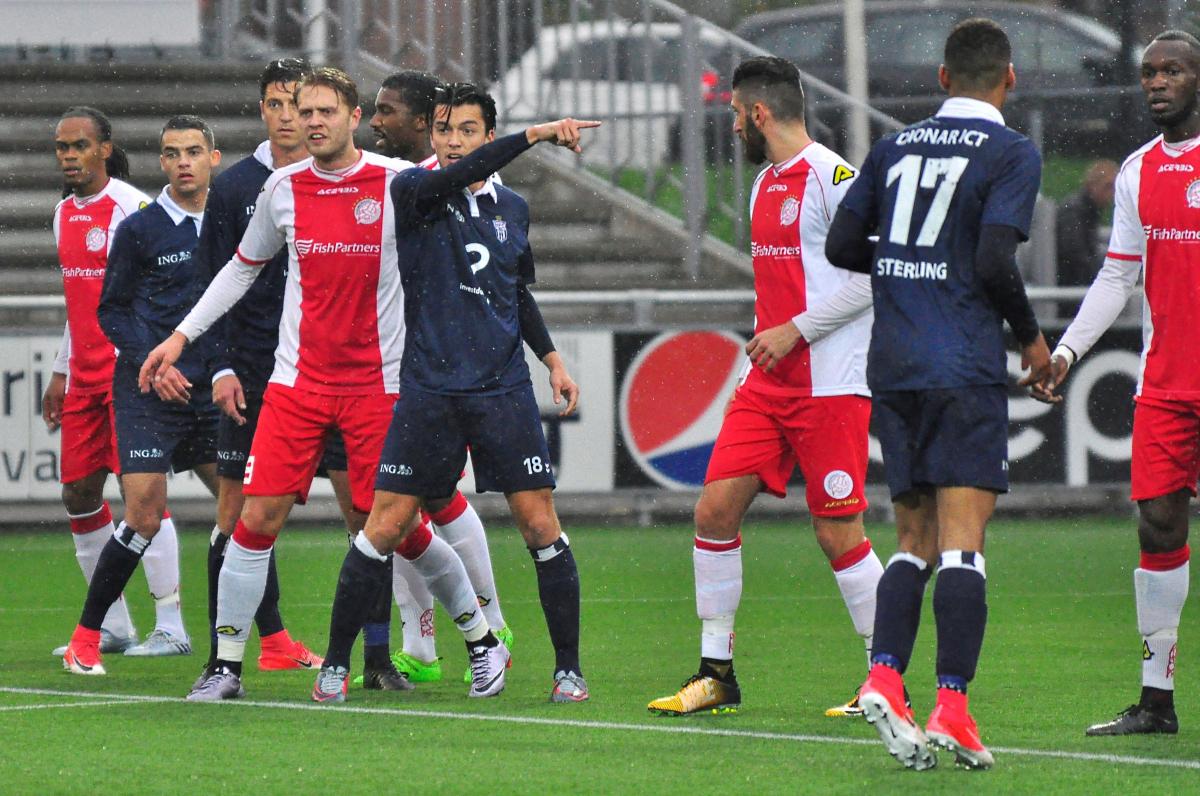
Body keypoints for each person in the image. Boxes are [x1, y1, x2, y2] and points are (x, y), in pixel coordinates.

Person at [311, 83, 594, 704]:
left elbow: (515, 294)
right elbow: (459, 175)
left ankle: (567, 669)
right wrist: (539, 134)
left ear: (487, 136)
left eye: (468, 130)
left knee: (539, 522)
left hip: (502, 389)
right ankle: (335, 664)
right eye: (444, 129)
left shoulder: (512, 208)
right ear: (433, 136)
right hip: (431, 389)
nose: (454, 140)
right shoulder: (413, 190)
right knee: (383, 524)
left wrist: (552, 361)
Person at [826, 18, 1052, 769]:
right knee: (963, 543)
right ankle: (952, 703)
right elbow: (993, 258)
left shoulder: (892, 146)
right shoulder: (1011, 151)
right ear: (1009, 78)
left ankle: (883, 674)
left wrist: (906, 257)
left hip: (894, 363)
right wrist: (1029, 335)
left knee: (911, 540)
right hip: (961, 363)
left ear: (943, 79)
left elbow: (841, 246)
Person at [645, 57, 881, 719]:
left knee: (838, 533)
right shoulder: (762, 187)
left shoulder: (835, 180)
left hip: (830, 386)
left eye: (732, 113)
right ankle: (716, 672)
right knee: (714, 512)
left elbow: (874, 277)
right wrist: (751, 371)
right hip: (768, 386)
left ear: (758, 114)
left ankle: (884, 678)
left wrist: (797, 332)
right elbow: (769, 300)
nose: (731, 125)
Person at [1034, 30, 1200, 738]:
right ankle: (1155, 700)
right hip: (1165, 385)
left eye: (1173, 71)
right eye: (1148, 73)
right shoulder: (1135, 171)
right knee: (1156, 524)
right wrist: (1067, 351)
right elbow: (1117, 276)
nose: (1157, 82)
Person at [192, 58, 342, 687]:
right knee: (239, 512)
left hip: (333, 370)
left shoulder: (344, 182)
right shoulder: (235, 187)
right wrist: (220, 364)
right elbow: (216, 277)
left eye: (301, 105)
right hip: (254, 372)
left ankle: (381, 655)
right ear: (263, 109)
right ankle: (224, 658)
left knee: (374, 509)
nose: (290, 118)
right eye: (278, 105)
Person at [367, 69, 518, 687]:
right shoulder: (393, 177)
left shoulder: (460, 187)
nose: (377, 122)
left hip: (426, 367)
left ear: (425, 120)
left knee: (416, 501)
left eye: (388, 111)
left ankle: (488, 623)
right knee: (395, 505)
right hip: (376, 363)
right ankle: (422, 641)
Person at [61, 115, 228, 674]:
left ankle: (264, 641)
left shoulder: (230, 222)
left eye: (193, 151)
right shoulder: (132, 225)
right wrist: (147, 361)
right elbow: (104, 307)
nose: (183, 161)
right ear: (161, 160)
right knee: (126, 507)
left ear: (213, 158)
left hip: (207, 387)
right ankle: (98, 632)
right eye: (172, 152)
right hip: (140, 383)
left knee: (243, 511)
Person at [45, 106, 188, 660]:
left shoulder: (134, 208)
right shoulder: (62, 214)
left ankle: (172, 625)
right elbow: (83, 303)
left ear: (105, 148)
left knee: (142, 497)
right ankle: (113, 626)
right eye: (61, 148)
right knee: (79, 495)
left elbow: (157, 292)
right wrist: (62, 367)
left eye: (79, 146)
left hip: (130, 375)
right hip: (83, 380)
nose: (69, 156)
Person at [1054, 159, 1117, 314]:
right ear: (1092, 186)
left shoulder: (1082, 210)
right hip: (1070, 294)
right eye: (1108, 187)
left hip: (1072, 290)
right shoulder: (1076, 213)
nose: (1112, 194)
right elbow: (1075, 256)